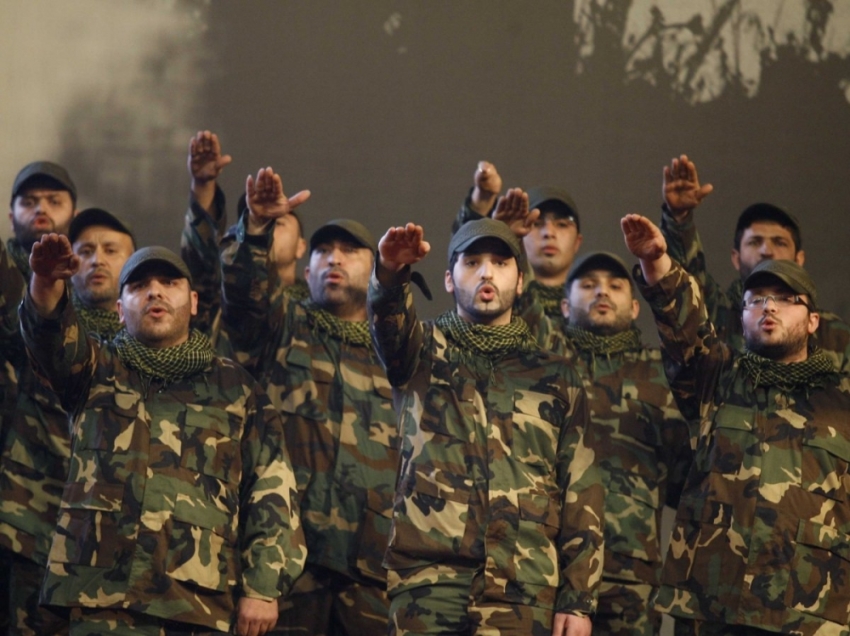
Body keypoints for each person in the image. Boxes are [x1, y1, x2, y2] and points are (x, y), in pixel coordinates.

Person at [20, 238, 305, 635]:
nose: (154, 291)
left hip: (196, 604)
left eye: (168, 282)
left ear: (193, 302)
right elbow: (49, 336)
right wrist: (45, 282)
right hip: (97, 598)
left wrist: (263, 586)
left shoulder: (237, 389)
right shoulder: (94, 368)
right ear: (120, 311)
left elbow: (272, 488)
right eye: (138, 286)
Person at [369, 212, 603, 636]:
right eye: (472, 262)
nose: (486, 272)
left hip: (524, 586)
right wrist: (390, 274)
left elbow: (581, 492)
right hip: (430, 582)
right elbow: (388, 318)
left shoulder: (554, 375)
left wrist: (579, 599)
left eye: (500, 261)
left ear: (520, 281)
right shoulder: (419, 350)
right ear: (447, 279)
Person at [622, 213, 850, 636]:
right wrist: (657, 264)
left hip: (810, 612)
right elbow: (683, 326)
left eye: (785, 299)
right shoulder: (716, 378)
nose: (769, 307)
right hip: (714, 604)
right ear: (741, 317)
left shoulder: (841, 402)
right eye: (757, 299)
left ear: (814, 321)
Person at [220, 166, 399, 635]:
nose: (334, 259)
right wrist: (255, 229)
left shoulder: (397, 350)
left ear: (375, 268)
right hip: (285, 566)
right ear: (306, 270)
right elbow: (243, 298)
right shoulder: (282, 324)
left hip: (372, 575)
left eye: (349, 251)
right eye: (322, 251)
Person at [525, 250, 689, 636]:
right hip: (546, 562)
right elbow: (516, 299)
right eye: (588, 285)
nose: (602, 292)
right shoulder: (547, 363)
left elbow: (684, 477)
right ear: (564, 306)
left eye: (615, 286)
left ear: (635, 308)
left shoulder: (662, 373)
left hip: (630, 567)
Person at [660, 153, 850, 371]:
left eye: (779, 242)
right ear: (736, 258)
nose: (766, 251)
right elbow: (683, 282)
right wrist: (680, 219)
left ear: (799, 259)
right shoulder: (715, 313)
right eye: (755, 242)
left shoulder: (834, 333)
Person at [0, 162, 80, 635]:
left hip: (40, 504)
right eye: (29, 202)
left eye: (53, 200)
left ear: (73, 211)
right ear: (11, 216)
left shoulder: (83, 284)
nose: (41, 210)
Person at [181, 130, 307, 353]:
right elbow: (202, 260)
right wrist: (203, 186)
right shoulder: (222, 302)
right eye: (252, 224)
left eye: (276, 223)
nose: (267, 230)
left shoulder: (317, 312)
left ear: (301, 246)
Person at [455, 160, 583, 342]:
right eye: (537, 224)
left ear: (577, 241)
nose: (549, 233)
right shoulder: (491, 294)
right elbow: (461, 259)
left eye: (562, 224)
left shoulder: (589, 301)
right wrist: (483, 207)